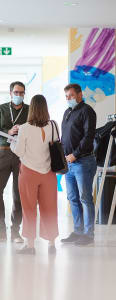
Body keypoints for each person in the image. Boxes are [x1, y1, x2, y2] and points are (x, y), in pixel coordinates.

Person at [10, 95, 59, 254]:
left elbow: (19, 152)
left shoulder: (24, 128)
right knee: (50, 208)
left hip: (29, 173)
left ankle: (30, 245)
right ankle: (51, 244)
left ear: (31, 108)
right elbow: (55, 145)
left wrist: (12, 142)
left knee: (29, 208)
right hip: (48, 173)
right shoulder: (53, 125)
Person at [0, 81, 29, 243]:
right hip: (3, 153)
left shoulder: (29, 110)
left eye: (22, 93)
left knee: (18, 195)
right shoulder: (1, 108)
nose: (19, 95)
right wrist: (8, 132)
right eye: (16, 92)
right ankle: (0, 229)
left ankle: (15, 231)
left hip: (22, 156)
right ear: (10, 93)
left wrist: (22, 131)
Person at [60, 83, 97, 246]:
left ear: (80, 95)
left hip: (83, 161)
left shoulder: (87, 111)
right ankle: (78, 231)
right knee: (73, 198)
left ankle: (88, 234)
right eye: (67, 96)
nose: (69, 99)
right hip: (68, 164)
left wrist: (75, 155)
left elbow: (88, 137)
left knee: (85, 198)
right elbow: (65, 137)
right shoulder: (67, 112)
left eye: (71, 96)